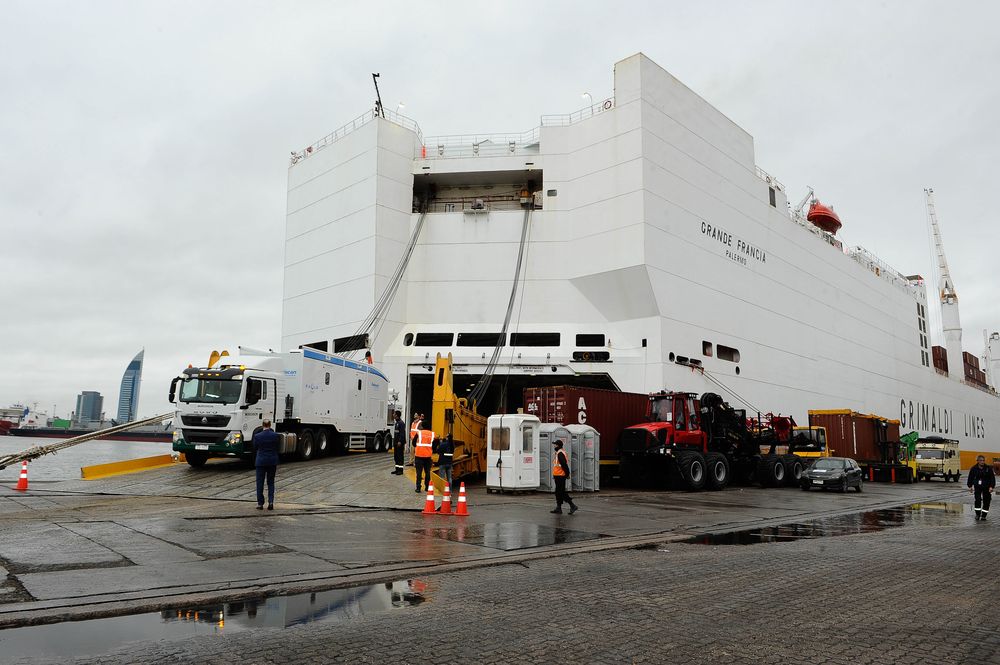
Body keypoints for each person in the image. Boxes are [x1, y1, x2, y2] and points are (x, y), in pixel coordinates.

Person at [253, 420, 280, 510]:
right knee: (271, 482)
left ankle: (260, 504)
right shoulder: (275, 436)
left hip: (261, 461)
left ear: (262, 425)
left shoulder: (257, 436)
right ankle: (271, 502)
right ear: (270, 425)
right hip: (272, 461)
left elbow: (255, 447)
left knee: (260, 483)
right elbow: (277, 447)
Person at [551, 439, 578, 515]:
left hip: (561, 476)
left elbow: (564, 464)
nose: (554, 446)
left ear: (558, 445)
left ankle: (572, 505)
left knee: (561, 492)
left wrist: (567, 474)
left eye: (555, 444)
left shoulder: (560, 453)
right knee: (558, 492)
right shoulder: (558, 453)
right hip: (557, 475)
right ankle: (558, 508)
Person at [967, 455, 996, 521]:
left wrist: (991, 486)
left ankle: (984, 515)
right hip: (977, 487)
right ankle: (977, 514)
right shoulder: (973, 468)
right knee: (977, 499)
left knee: (986, 501)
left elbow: (992, 478)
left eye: (983, 460)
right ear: (977, 461)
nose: (982, 462)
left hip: (987, 487)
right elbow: (970, 477)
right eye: (981, 460)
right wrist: (970, 486)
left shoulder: (988, 468)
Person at [413, 423, 434, 494]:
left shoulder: (419, 433)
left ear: (422, 426)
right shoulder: (432, 434)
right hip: (428, 456)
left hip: (419, 455)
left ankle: (418, 488)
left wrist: (418, 447)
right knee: (427, 472)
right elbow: (435, 445)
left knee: (419, 473)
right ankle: (427, 487)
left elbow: (413, 443)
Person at [390, 410, 405, 475]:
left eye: (394, 414)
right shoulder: (396, 423)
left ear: (397, 415)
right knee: (396, 456)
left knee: (400, 456)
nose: (393, 414)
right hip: (396, 443)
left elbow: (402, 433)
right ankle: (397, 469)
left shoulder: (401, 423)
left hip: (399, 443)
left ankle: (400, 470)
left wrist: (400, 441)